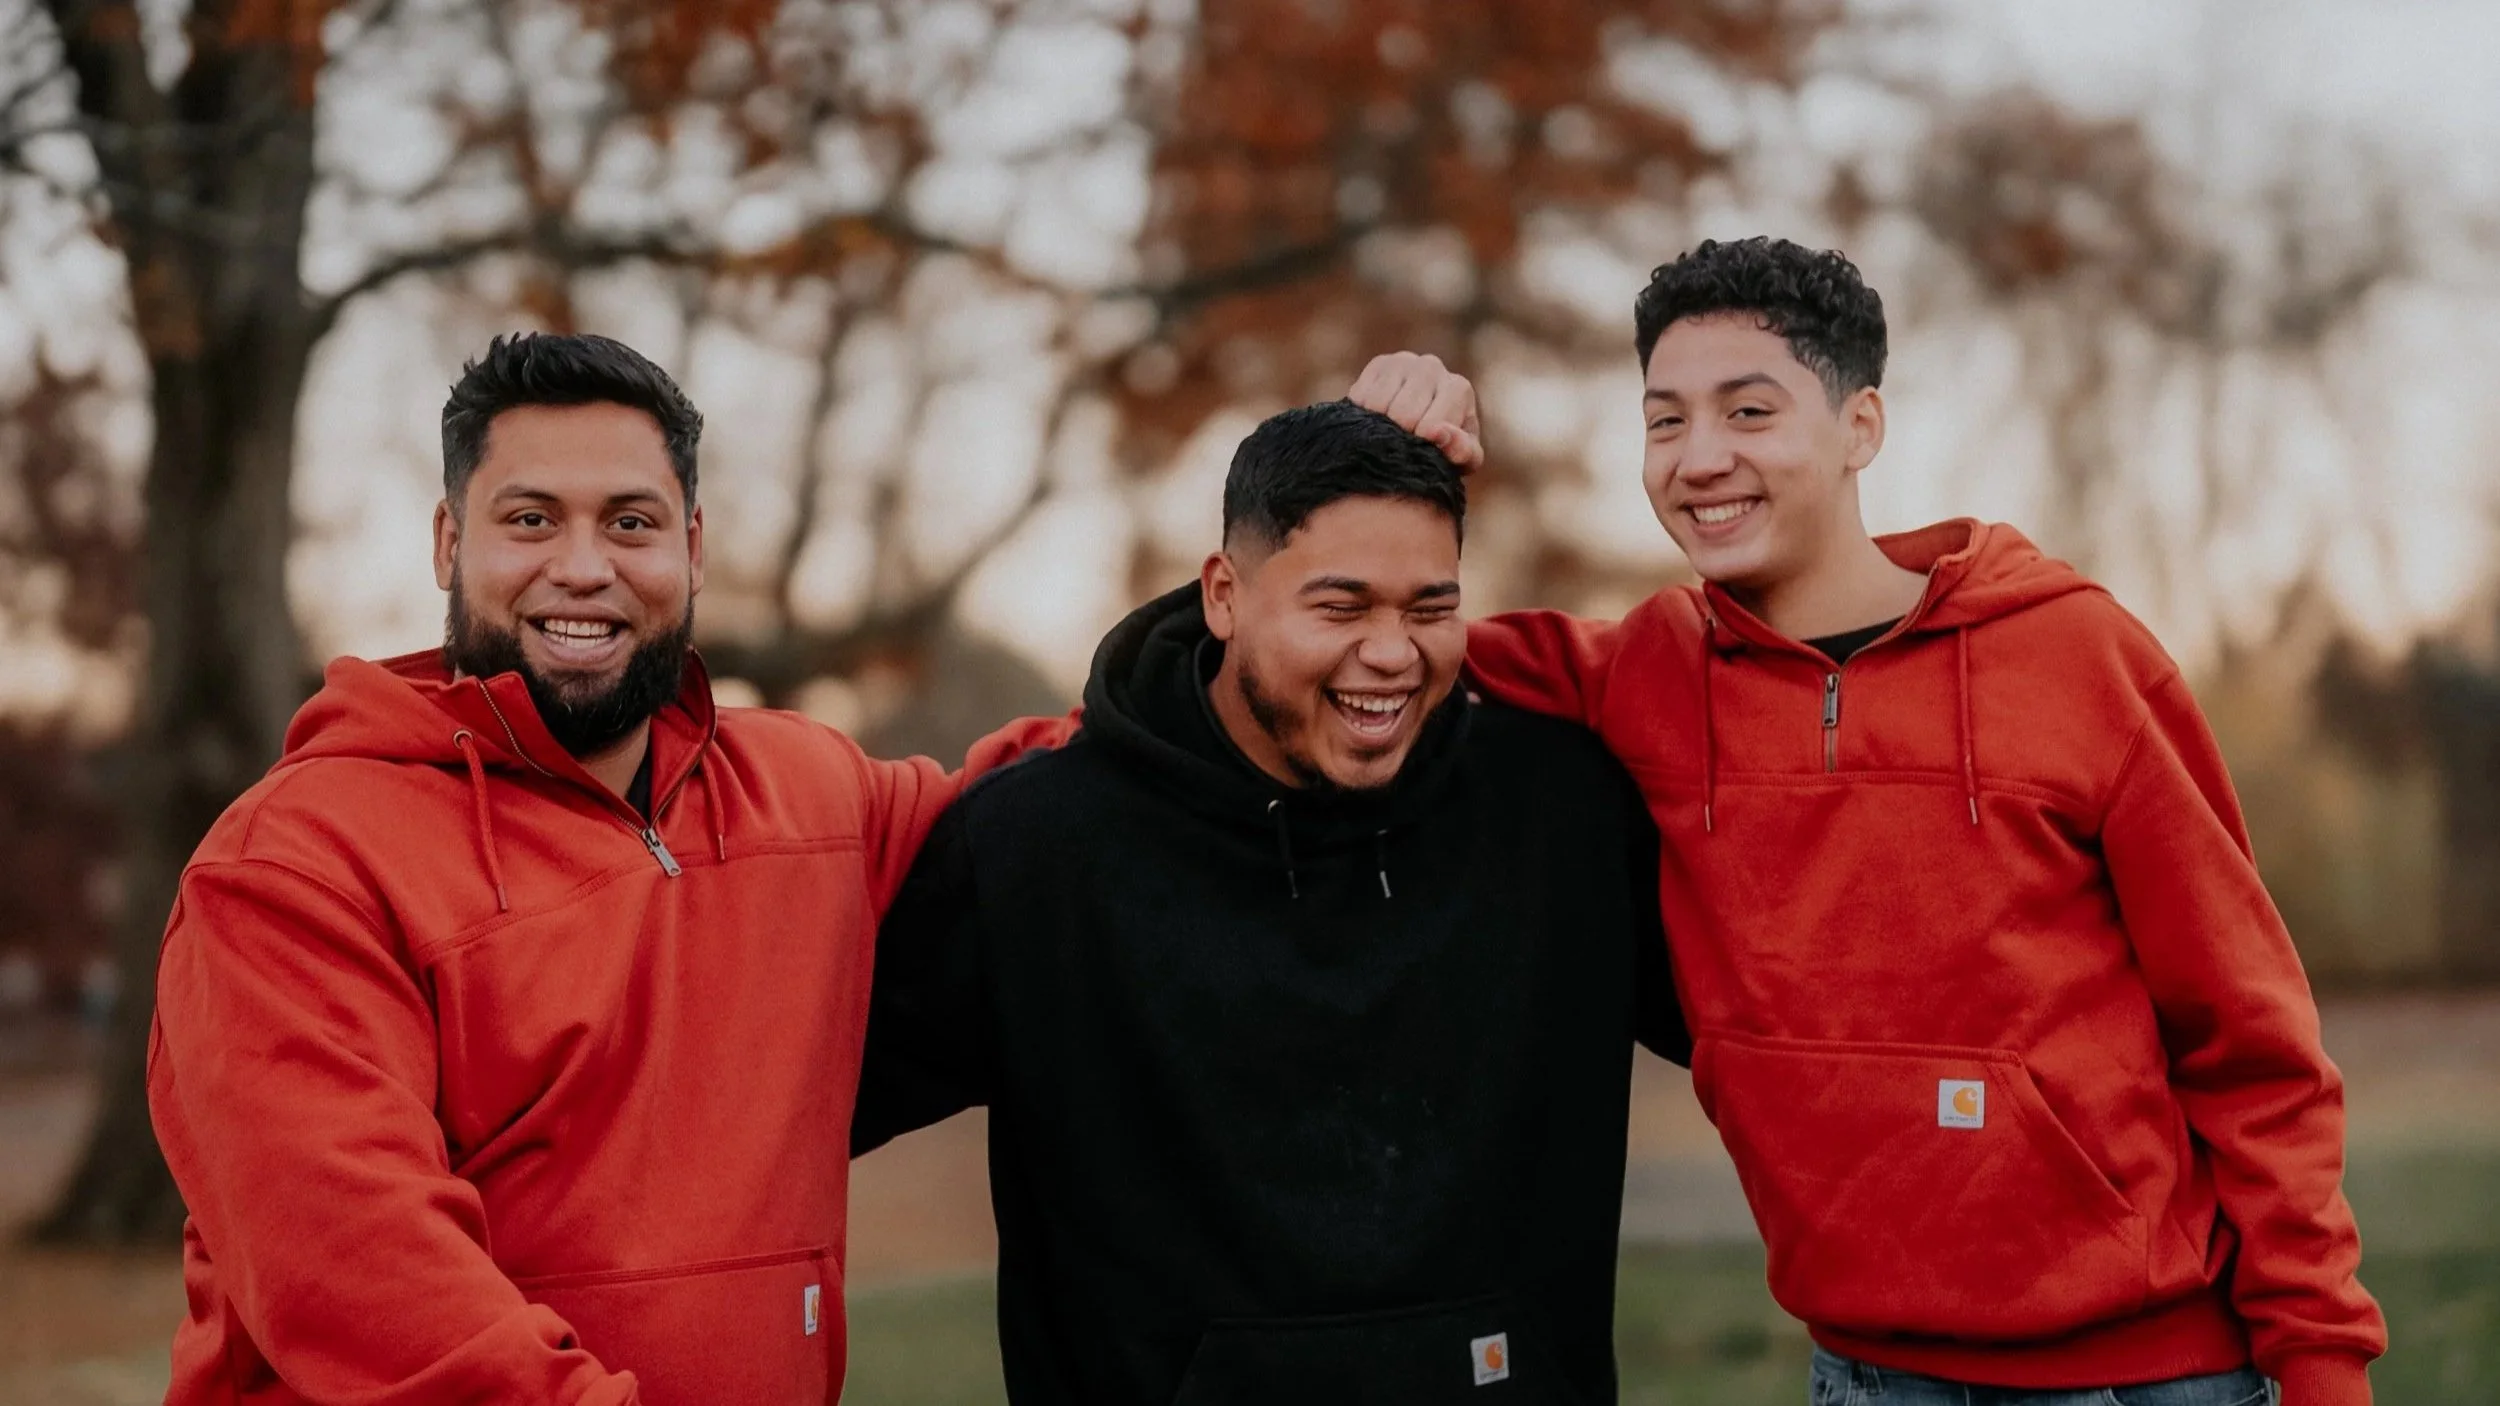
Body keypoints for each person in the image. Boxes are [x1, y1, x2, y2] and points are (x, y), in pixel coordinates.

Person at [1355, 236, 2387, 1405]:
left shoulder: (2075, 656)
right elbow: (1334, 652)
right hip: (1867, 1375)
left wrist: (2321, 1360)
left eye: (1749, 410)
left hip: (2148, 1375)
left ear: (1861, 427)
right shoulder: (1643, 672)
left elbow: (2248, 1033)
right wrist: (1381, 456)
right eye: (1663, 421)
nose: (1699, 457)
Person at [146, 333, 1056, 1405]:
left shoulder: (809, 789)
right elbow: (367, 1285)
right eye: (531, 520)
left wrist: (1209, 662)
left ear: (693, 549)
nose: (583, 567)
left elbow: (1057, 809)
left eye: (630, 522)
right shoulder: (291, 865)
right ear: (449, 543)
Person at [852, 400, 1689, 1405]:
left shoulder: (1563, 813)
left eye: (1429, 608)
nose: (1393, 651)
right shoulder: (1034, 848)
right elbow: (786, 1115)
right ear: (1223, 595)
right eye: (1341, 608)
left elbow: (1790, 1033)